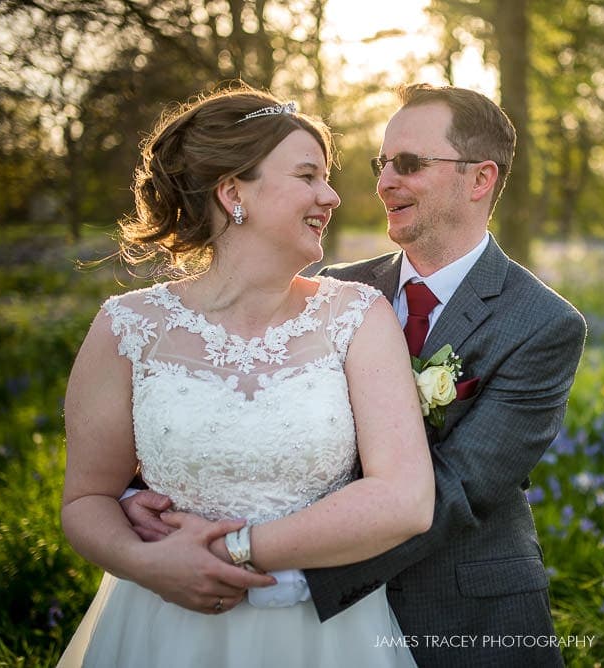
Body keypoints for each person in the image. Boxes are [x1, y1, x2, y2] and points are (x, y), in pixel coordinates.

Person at [127, 83, 588, 666]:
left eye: (410, 164)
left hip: (461, 614)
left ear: (480, 180)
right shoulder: (333, 293)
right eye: (383, 162)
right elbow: (244, 400)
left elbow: (459, 487)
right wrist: (145, 498)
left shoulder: (542, 323)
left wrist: (281, 566)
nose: (383, 181)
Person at [58, 85, 434, 667]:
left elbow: (405, 500)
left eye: (326, 176)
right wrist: (149, 565)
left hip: (325, 633)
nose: (331, 195)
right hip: (166, 623)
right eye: (308, 175)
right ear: (234, 192)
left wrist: (230, 551)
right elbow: (87, 499)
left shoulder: (357, 316)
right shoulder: (127, 328)